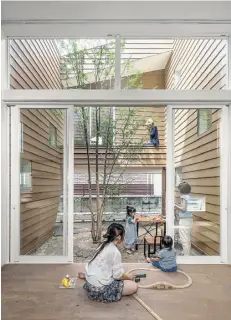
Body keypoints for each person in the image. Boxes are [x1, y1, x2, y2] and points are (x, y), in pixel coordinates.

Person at [78, 223, 138, 303]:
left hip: (90, 284)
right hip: (99, 290)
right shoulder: (115, 252)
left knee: (106, 272)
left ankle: (87, 277)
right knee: (133, 286)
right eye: (123, 236)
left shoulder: (102, 244)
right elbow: (117, 276)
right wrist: (128, 276)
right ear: (119, 238)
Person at [174, 182, 192, 256]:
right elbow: (185, 207)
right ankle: (186, 253)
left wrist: (175, 205)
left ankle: (186, 257)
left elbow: (183, 208)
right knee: (188, 238)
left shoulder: (183, 197)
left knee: (184, 239)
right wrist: (177, 204)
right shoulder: (189, 197)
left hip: (184, 220)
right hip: (189, 219)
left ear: (182, 190)